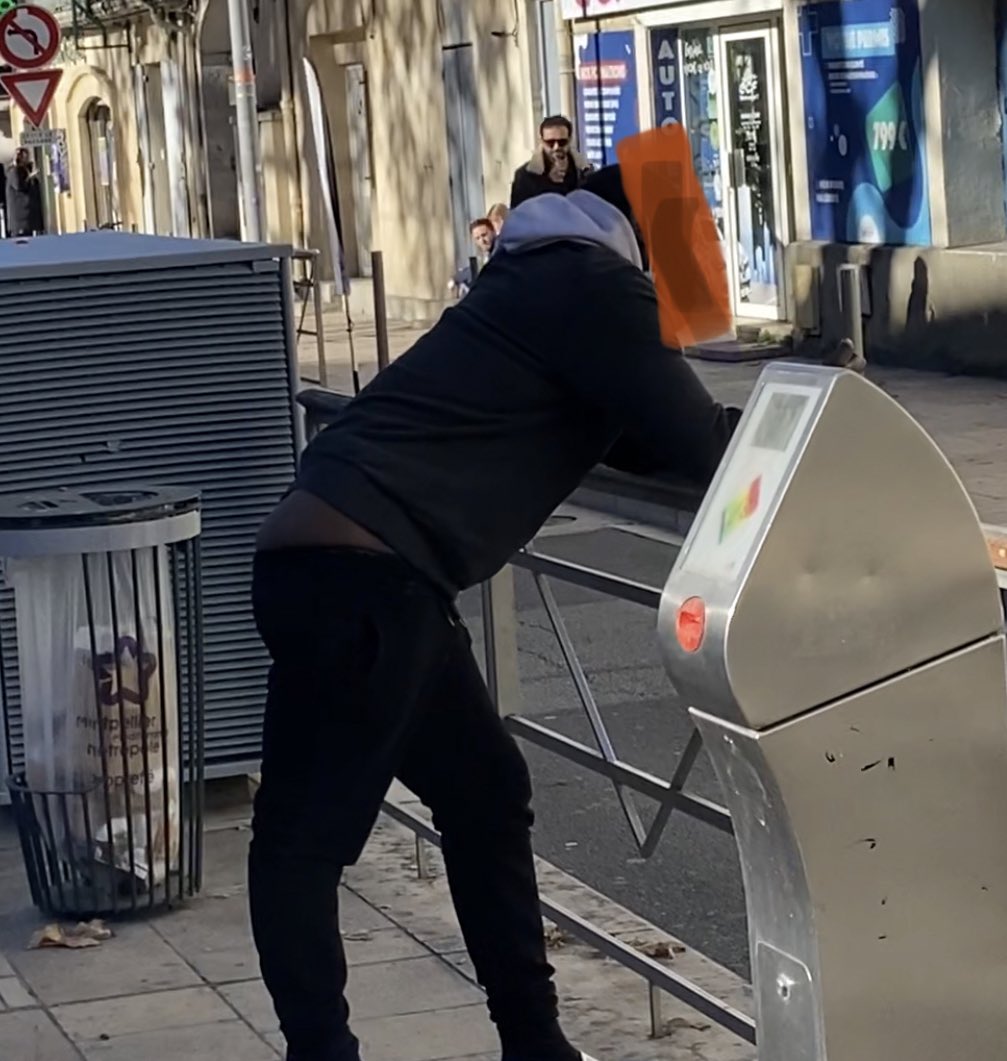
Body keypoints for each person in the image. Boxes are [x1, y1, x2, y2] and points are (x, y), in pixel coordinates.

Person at [249, 163, 858, 1061]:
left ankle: (536, 1044)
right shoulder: (590, 283)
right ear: (643, 239)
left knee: (485, 793)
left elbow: (641, 435)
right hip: (363, 576)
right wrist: (833, 432)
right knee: (303, 840)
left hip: (356, 567)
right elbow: (697, 445)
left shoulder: (539, 279)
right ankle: (327, 1050)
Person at [510, 116, 593, 208]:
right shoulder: (524, 176)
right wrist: (551, 184)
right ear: (542, 141)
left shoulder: (584, 171)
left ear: (569, 140)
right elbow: (520, 214)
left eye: (562, 142)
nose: (556, 147)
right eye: (550, 142)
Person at [448, 217, 496, 299]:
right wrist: (455, 279)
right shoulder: (484, 256)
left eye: (484, 235)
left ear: (493, 232)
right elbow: (471, 271)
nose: (482, 241)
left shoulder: (500, 250)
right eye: (477, 238)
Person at [5, 148, 42, 237]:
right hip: (20, 220)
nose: (26, 159)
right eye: (23, 157)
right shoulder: (14, 171)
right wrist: (30, 177)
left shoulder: (25, 169)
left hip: (28, 217)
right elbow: (19, 185)